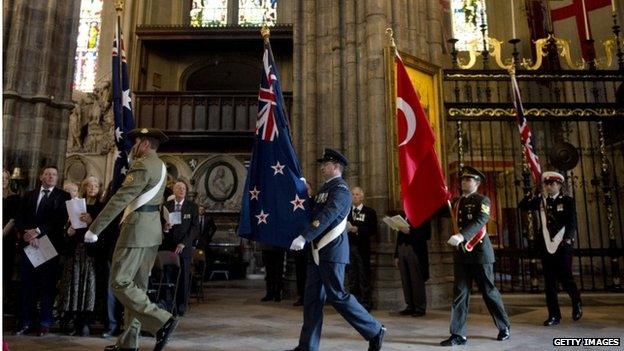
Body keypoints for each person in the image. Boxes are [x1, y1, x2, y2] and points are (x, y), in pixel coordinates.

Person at [83, 128, 178, 351]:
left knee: (120, 282)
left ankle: (162, 319)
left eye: (136, 143)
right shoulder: (161, 166)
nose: (133, 147)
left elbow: (120, 198)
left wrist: (94, 228)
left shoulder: (143, 164)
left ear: (145, 144)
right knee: (136, 289)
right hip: (151, 231)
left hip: (136, 231)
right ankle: (128, 343)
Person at [287, 148, 385, 351]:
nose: (322, 167)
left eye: (326, 164)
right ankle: (307, 346)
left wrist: (305, 237)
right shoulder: (325, 189)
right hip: (317, 252)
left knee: (338, 296)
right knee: (312, 300)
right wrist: (303, 193)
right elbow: (313, 210)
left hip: (331, 251)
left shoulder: (340, 190)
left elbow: (328, 216)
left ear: (336, 167)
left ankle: (375, 330)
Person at [440, 166, 510, 346]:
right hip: (462, 255)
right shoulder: (455, 202)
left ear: (477, 183)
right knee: (460, 293)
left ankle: (504, 327)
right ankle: (458, 334)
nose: (464, 182)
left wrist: (462, 236)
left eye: (468, 180)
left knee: (489, 291)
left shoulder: (482, 200)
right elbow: (440, 213)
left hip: (480, 253)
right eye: (463, 179)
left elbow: (481, 220)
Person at [519, 171, 582, 326]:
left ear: (559, 185)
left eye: (552, 184)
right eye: (546, 184)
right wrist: (533, 193)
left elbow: (572, 221)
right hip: (546, 246)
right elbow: (522, 206)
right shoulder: (541, 201)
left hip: (562, 245)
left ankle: (576, 301)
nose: (549, 186)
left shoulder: (567, 200)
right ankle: (554, 315)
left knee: (566, 278)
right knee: (549, 282)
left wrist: (567, 238)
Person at [14, 166, 71, 336]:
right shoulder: (29, 194)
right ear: (41, 177)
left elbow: (59, 220)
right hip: (30, 245)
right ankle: (26, 322)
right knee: (28, 285)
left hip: (49, 245)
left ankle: (45, 323)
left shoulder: (63, 196)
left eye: (54, 174)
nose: (51, 177)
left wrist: (38, 232)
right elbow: (20, 217)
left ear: (57, 177)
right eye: (47, 174)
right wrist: (28, 234)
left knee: (47, 286)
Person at [58, 176, 103, 336]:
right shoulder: (77, 204)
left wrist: (92, 222)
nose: (92, 188)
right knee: (71, 285)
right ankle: (70, 319)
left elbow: (104, 232)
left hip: (91, 253)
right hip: (75, 250)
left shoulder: (101, 207)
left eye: (95, 185)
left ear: (99, 189)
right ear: (84, 187)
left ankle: (84, 322)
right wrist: (68, 231)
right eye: (89, 185)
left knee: (87, 286)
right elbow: (67, 226)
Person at [161, 179, 198, 316]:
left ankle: (181, 305)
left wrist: (184, 243)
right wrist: (165, 228)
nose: (181, 190)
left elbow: (194, 228)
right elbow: (161, 225)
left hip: (184, 248)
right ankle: (169, 304)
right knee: (168, 276)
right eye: (178, 188)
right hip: (169, 247)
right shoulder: (166, 205)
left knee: (183, 277)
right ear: (173, 190)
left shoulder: (192, 207)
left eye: (183, 188)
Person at [393, 215, 431, 317]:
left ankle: (420, 308)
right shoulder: (403, 216)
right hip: (402, 248)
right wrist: (396, 255)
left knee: (416, 280)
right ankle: (410, 306)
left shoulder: (423, 215)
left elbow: (427, 234)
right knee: (406, 279)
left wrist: (410, 231)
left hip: (415, 250)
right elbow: (399, 237)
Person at [346, 186, 377, 311]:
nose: (355, 196)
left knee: (364, 276)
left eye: (357, 194)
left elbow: (373, 229)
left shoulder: (369, 212)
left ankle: (366, 302)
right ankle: (354, 303)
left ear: (362, 196)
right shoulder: (347, 212)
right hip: (349, 247)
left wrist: (358, 229)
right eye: (353, 194)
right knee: (352, 276)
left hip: (362, 248)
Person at [292, 181, 314, 307]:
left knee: (311, 272)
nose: (305, 191)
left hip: (311, 242)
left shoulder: (314, 201)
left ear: (310, 190)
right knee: (300, 271)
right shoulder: (296, 202)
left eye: (307, 189)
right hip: (299, 243)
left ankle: (312, 297)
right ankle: (301, 296)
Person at [3, 169, 20, 313]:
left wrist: (2, 234)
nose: (2, 180)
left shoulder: (13, 198)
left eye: (5, 178)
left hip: (5, 239)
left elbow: (13, 219)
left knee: (5, 271)